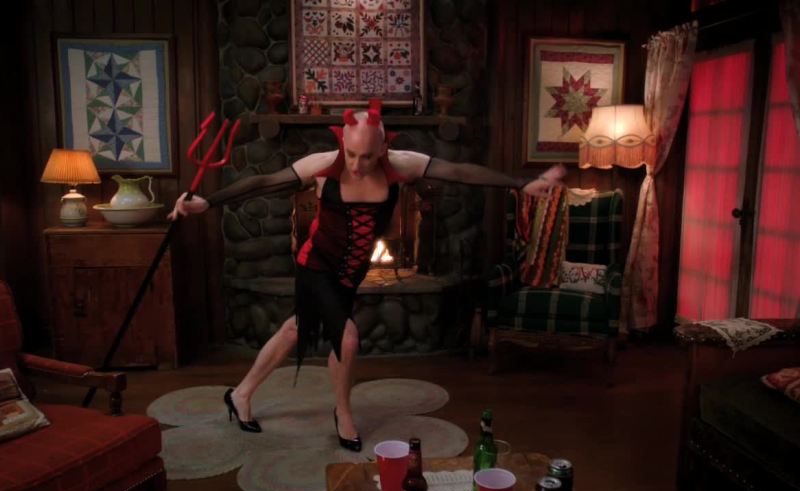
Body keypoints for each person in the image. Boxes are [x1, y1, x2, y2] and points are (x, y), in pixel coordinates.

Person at [168, 106, 566, 451]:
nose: (358, 165)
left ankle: (240, 394)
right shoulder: (321, 165)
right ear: (342, 143)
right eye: (352, 154)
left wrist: (520, 183)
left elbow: (460, 171)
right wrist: (208, 202)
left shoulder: (402, 164)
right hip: (315, 264)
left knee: (296, 328)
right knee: (347, 337)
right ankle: (343, 413)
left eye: (368, 156)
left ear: (384, 148)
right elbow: (263, 181)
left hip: (352, 270)